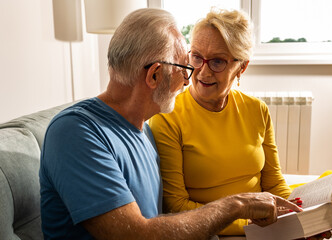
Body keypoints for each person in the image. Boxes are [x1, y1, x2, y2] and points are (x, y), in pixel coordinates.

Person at [38, 8, 303, 240]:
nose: (190, 80)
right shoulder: (75, 132)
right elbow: (134, 235)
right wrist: (237, 206)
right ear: (154, 75)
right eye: (185, 67)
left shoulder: (141, 129)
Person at [149, 7, 320, 237]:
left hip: (265, 228)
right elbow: (176, 207)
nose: (203, 72)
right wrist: (250, 224)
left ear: (242, 67)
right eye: (197, 57)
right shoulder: (167, 117)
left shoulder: (257, 109)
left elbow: (274, 184)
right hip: (213, 233)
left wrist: (300, 219)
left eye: (218, 62)